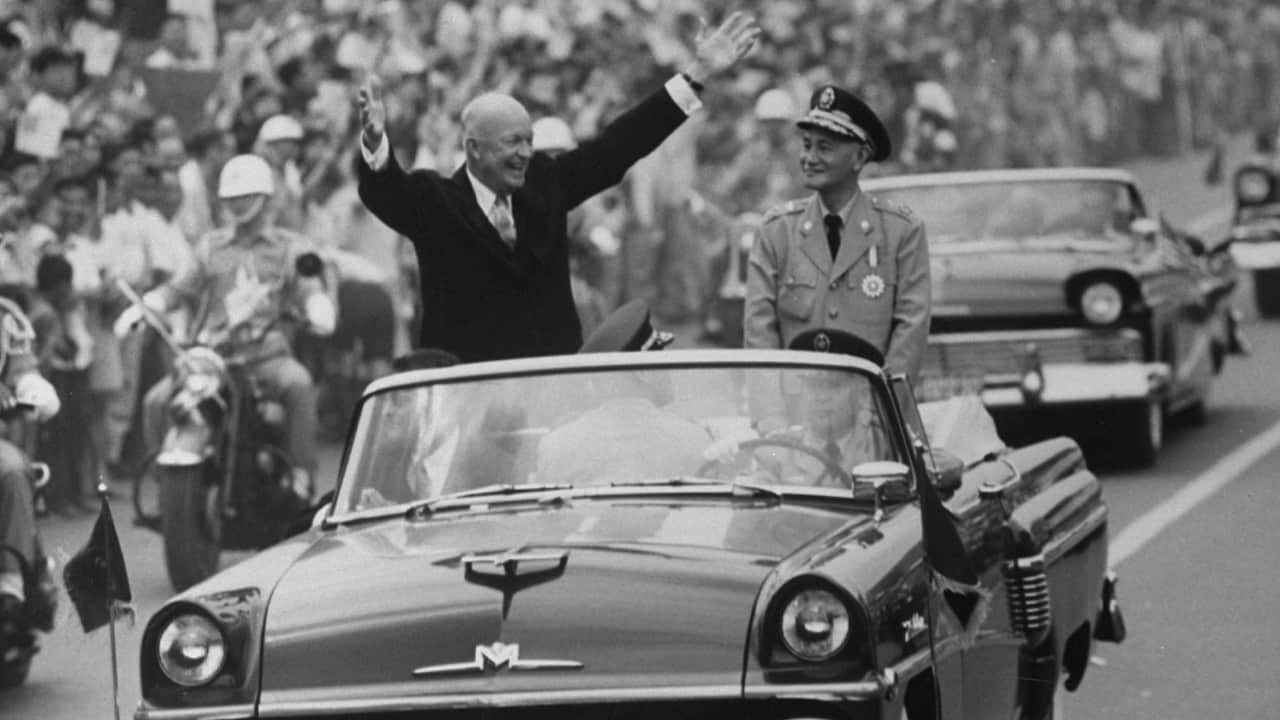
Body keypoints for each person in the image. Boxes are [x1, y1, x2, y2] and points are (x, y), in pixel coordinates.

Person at [355, 12, 762, 363]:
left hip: (549, 390)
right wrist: (375, 145)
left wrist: (697, 75)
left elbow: (619, 145)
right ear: (473, 149)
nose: (524, 153)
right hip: (470, 399)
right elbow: (386, 191)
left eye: (529, 140)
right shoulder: (436, 202)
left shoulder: (545, 184)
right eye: (511, 142)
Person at [125, 154, 336, 501]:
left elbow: (310, 288)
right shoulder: (210, 246)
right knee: (155, 401)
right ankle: (171, 485)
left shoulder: (290, 246)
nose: (238, 205)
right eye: (232, 199)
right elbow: (179, 287)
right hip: (212, 357)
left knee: (299, 384)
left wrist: (318, 307)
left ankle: (300, 474)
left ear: (266, 199)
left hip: (266, 355)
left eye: (246, 197)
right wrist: (150, 305)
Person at [743, 84, 931, 382]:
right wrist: (772, 421)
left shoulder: (901, 233)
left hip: (870, 415)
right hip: (796, 415)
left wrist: (885, 414)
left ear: (859, 158)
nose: (810, 157)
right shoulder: (776, 232)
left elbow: (910, 334)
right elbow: (759, 338)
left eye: (825, 148)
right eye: (806, 145)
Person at [0, 295, 61, 628]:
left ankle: (10, 585)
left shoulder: (5, 318)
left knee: (12, 469)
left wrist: (32, 387)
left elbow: (22, 369)